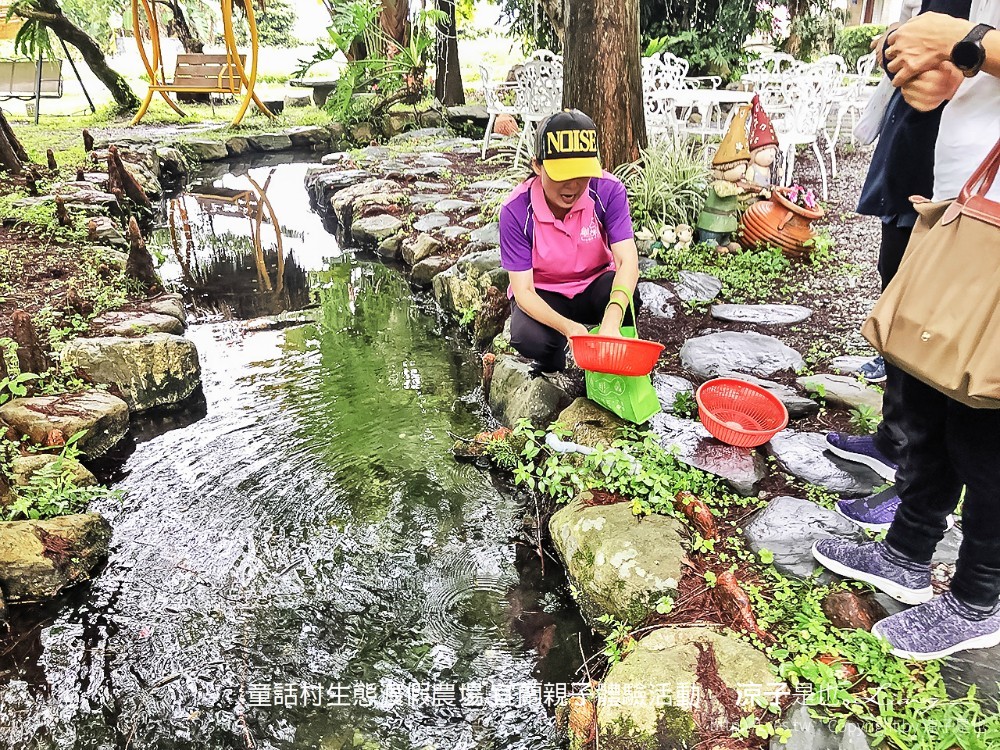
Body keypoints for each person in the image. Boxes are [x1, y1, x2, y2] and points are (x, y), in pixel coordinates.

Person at [812, 1, 1000, 661]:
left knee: (984, 413)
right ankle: (909, 548)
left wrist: (969, 42)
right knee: (925, 386)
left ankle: (979, 596)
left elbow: (967, 44)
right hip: (959, 198)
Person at [825, 0, 972, 532]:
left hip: (964, 193)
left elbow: (966, 54)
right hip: (921, 159)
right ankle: (893, 439)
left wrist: (964, 54)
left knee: (933, 340)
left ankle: (916, 487)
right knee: (899, 306)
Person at [498, 110, 641, 379]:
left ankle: (615, 353)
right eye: (562, 174)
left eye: (581, 173)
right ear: (537, 166)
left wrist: (612, 317)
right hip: (545, 292)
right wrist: (570, 329)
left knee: (627, 296)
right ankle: (554, 364)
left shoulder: (608, 191)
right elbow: (524, 290)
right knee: (528, 337)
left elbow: (627, 261)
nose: (573, 185)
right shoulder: (515, 210)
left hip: (594, 285)